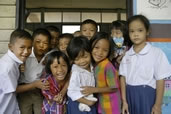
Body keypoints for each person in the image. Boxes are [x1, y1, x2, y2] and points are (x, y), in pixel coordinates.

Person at [119, 15, 171, 114]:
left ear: (147, 31)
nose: (136, 34)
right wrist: (124, 101)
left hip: (148, 96)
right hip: (129, 96)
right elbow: (123, 78)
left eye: (140, 30)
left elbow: (160, 80)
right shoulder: (127, 55)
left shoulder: (156, 53)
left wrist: (157, 105)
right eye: (132, 31)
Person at [81, 32, 121, 114]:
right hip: (101, 105)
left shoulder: (107, 65)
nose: (100, 53)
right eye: (96, 47)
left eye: (105, 50)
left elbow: (114, 87)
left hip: (111, 107)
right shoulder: (93, 64)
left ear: (109, 51)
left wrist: (94, 90)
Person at [17, 28, 51, 114]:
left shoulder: (47, 58)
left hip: (38, 90)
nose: (41, 45)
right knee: (24, 111)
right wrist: (20, 64)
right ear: (32, 42)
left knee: (40, 111)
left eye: (45, 43)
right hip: (24, 90)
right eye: (38, 42)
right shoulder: (25, 54)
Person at [0, 29, 33, 114]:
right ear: (10, 47)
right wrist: (35, 84)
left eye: (29, 48)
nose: (26, 52)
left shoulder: (14, 62)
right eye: (22, 47)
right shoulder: (9, 66)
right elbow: (15, 89)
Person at [66, 36, 97, 114]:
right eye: (77, 59)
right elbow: (71, 92)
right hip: (78, 104)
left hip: (89, 101)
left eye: (85, 56)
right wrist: (87, 102)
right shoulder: (76, 72)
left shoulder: (92, 66)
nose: (82, 61)